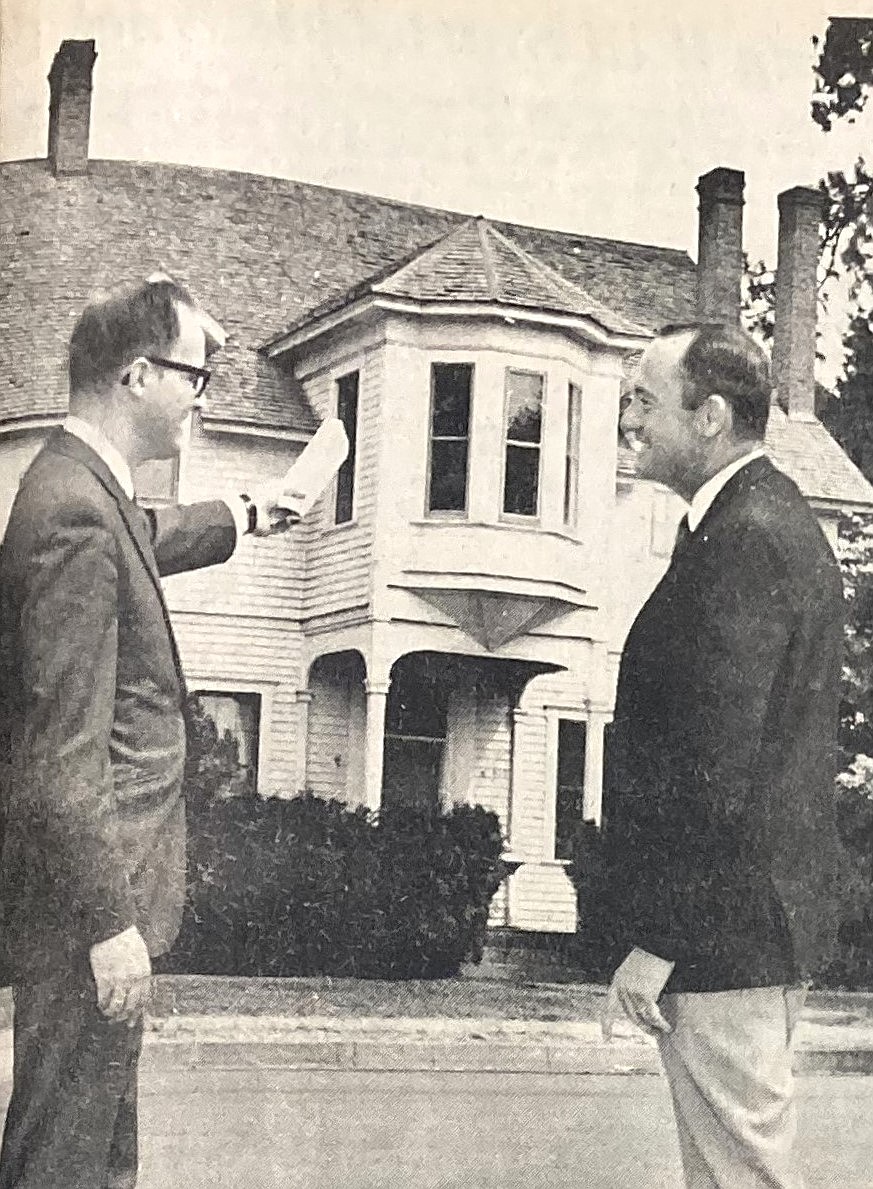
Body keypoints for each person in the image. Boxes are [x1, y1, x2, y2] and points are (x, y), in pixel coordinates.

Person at [0, 276, 303, 1188]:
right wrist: (107, 921)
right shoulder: (72, 512)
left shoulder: (79, 487)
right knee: (63, 1157)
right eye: (193, 376)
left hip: (93, 904)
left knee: (95, 1156)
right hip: (85, 910)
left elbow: (147, 532)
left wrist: (248, 513)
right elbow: (59, 754)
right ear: (137, 375)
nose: (201, 397)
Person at [601, 322, 846, 1188]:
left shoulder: (744, 539)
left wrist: (659, 940)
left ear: (708, 417)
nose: (627, 420)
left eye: (642, 400)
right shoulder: (749, 523)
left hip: (723, 938)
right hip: (742, 931)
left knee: (740, 1176)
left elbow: (719, 765)